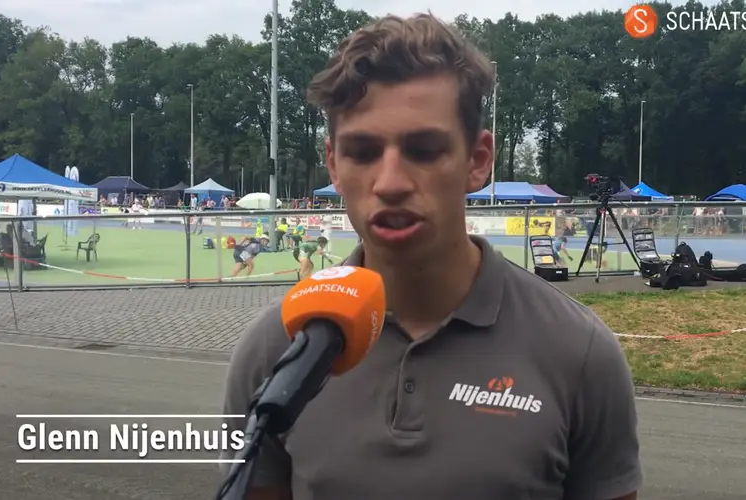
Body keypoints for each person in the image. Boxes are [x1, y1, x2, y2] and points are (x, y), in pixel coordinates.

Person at [221, 14, 641, 500]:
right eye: (363, 152)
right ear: (334, 164)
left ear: (478, 160)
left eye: (423, 150)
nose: (390, 183)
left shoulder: (579, 353)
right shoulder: (275, 349)